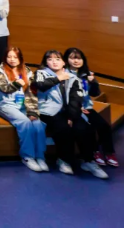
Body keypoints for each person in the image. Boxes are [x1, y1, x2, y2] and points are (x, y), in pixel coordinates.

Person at [34, 50, 107, 178]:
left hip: (68, 111)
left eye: (57, 59)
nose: (54, 62)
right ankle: (63, 160)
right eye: (50, 59)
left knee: (84, 128)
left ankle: (88, 161)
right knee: (63, 128)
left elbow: (75, 99)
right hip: (48, 111)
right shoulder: (41, 73)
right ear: (46, 62)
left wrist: (71, 117)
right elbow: (40, 85)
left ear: (63, 62)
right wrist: (58, 78)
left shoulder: (73, 78)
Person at [0, 47, 49, 172]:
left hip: (24, 105)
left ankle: (40, 157)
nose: (12, 59)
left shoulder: (27, 70)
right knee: (25, 122)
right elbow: (4, 88)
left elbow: (31, 93)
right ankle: (27, 156)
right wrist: (17, 83)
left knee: (38, 124)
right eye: (9, 57)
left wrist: (32, 111)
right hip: (6, 105)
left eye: (15, 57)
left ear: (20, 58)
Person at [64, 47, 117, 167]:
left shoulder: (86, 74)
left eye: (79, 58)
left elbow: (95, 93)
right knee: (89, 127)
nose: (76, 61)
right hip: (74, 108)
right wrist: (77, 108)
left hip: (87, 107)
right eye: (72, 58)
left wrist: (93, 82)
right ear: (66, 60)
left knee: (104, 126)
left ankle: (109, 153)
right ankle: (95, 152)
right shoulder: (65, 75)